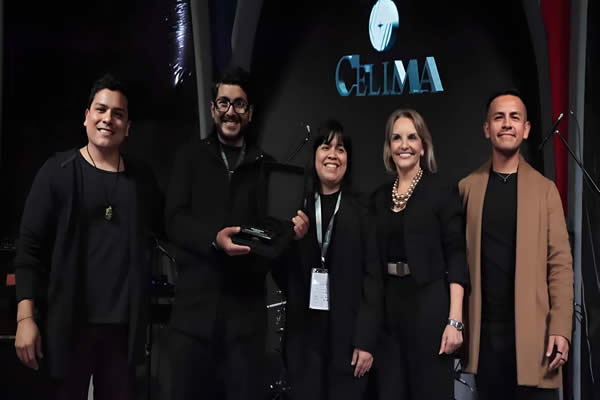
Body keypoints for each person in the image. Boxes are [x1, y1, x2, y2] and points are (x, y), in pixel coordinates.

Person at [14, 73, 162, 399]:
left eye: (118, 114)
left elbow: (171, 228)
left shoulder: (142, 180)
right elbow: (28, 250)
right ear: (86, 117)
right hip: (67, 327)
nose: (108, 119)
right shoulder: (57, 172)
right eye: (101, 109)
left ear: (127, 126)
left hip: (123, 332)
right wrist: (25, 319)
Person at [165, 67, 309, 400]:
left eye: (240, 104)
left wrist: (292, 234)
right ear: (213, 108)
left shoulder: (267, 167)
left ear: (250, 112)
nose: (231, 111)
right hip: (192, 319)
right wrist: (213, 239)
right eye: (224, 103)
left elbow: (274, 236)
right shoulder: (189, 158)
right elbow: (174, 221)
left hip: (245, 322)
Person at [458, 89, 573, 400]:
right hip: (485, 338)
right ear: (487, 129)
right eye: (499, 117)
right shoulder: (467, 188)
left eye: (514, 117)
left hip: (536, 336)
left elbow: (560, 265)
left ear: (526, 129)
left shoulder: (545, 191)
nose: (507, 124)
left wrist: (561, 327)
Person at [272, 121, 382, 400]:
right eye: (325, 147)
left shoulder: (363, 210)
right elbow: (282, 277)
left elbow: (373, 278)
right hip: (304, 341)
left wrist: (366, 341)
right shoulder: (298, 209)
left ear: (348, 159)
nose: (333, 154)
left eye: (340, 149)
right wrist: (291, 241)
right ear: (314, 156)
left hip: (349, 343)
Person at [370, 109, 469, 399]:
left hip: (429, 307)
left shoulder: (442, 191)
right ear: (388, 147)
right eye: (396, 138)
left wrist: (454, 321)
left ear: (423, 146)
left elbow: (457, 255)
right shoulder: (378, 198)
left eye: (412, 137)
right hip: (388, 310)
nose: (404, 145)